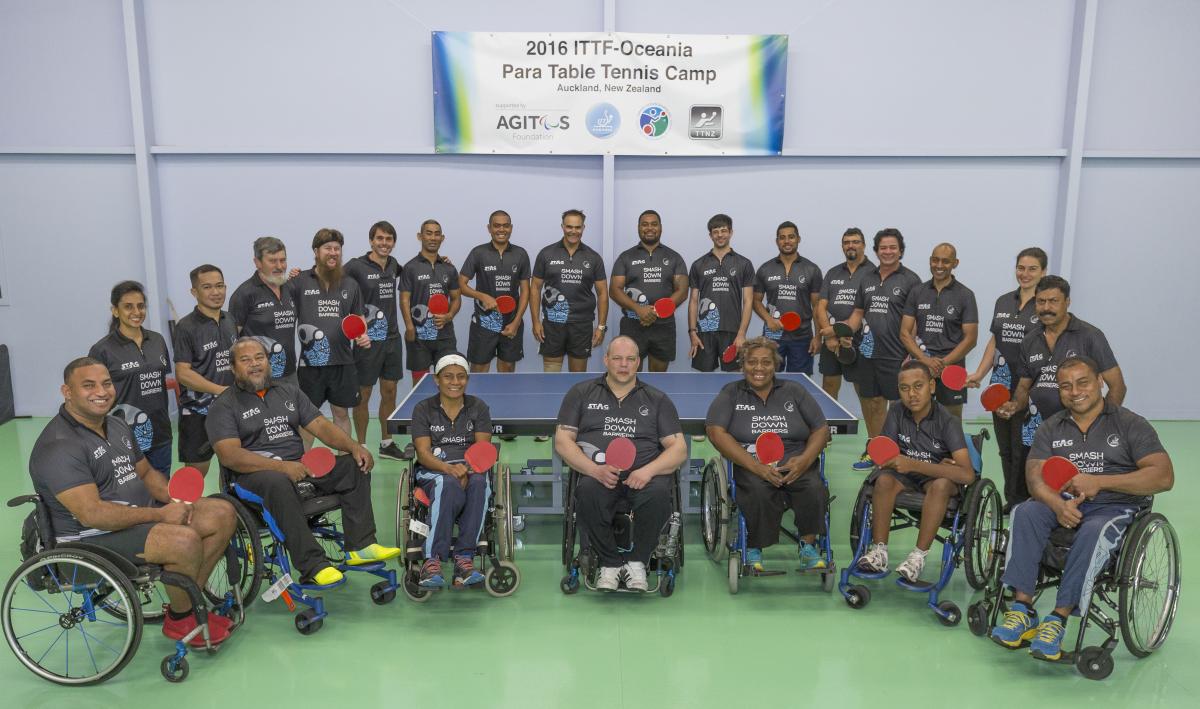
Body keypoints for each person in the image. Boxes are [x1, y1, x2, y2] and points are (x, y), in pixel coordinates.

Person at [29, 357, 238, 646]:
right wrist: (161, 516)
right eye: (88, 386)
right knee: (183, 540)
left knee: (222, 513)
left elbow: (147, 473)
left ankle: (188, 605)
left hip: (136, 520)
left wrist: (174, 499)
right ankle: (182, 619)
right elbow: (92, 514)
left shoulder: (115, 424)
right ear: (67, 392)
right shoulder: (59, 446)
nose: (101, 392)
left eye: (106, 383)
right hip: (89, 539)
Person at [989, 356, 1172, 662]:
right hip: (1063, 502)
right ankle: (1023, 608)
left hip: (1113, 508)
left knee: (1093, 530)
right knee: (1025, 512)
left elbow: (1164, 476)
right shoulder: (1051, 426)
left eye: (1082, 382)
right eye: (1066, 386)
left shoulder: (1130, 424)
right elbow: (1035, 477)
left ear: (1100, 381)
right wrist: (1056, 504)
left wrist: (1100, 482)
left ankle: (1058, 618)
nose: (1075, 391)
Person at [207, 337, 400, 587]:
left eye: (259, 358)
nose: (254, 364)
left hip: (298, 469)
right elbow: (229, 455)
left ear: (268, 361)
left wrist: (353, 446)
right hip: (251, 478)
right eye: (245, 360)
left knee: (354, 466)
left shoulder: (288, 391)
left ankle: (361, 546)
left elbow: (319, 425)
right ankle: (313, 565)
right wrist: (281, 467)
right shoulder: (224, 405)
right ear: (233, 368)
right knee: (277, 483)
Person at [554, 336, 686, 591]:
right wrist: (593, 469)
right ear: (606, 360)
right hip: (598, 474)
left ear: (639, 362)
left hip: (645, 476)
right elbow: (562, 441)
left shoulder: (657, 399)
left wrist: (648, 471)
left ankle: (637, 562)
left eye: (629, 359)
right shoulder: (580, 393)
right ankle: (610, 563)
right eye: (617, 358)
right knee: (587, 491)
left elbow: (678, 449)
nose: (623, 365)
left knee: (659, 493)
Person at [705, 337, 831, 571]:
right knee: (757, 490)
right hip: (751, 463)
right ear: (743, 365)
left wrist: (804, 461)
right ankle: (754, 547)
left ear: (776, 365)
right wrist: (756, 467)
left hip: (795, 462)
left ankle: (808, 545)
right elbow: (715, 432)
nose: (759, 368)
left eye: (766, 362)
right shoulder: (731, 393)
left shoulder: (794, 390)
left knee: (814, 487)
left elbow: (821, 429)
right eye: (752, 362)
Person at [855, 360, 974, 583]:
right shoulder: (896, 411)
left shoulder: (948, 421)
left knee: (940, 486)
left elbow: (967, 474)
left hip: (936, 478)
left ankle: (917, 557)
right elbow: (885, 455)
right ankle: (879, 552)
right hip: (905, 477)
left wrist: (914, 464)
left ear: (932, 386)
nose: (912, 394)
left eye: (918, 386)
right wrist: (895, 462)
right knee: (883, 482)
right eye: (904, 388)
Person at [994, 275, 1126, 468]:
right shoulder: (1030, 339)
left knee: (1069, 487)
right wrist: (1014, 405)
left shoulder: (1090, 336)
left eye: (1053, 301)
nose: (1046, 308)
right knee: (1025, 486)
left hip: (1076, 431)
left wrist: (1102, 424)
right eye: (1041, 302)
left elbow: (1118, 386)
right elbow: (1024, 386)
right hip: (1035, 431)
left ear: (1067, 302)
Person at [966, 247, 1046, 511]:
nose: (1025, 274)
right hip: (1000, 386)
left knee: (1024, 448)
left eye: (1032, 268)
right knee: (1005, 449)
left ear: (1043, 272)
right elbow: (994, 341)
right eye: (1021, 268)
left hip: (1031, 389)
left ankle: (1025, 500)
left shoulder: (1045, 304)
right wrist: (979, 373)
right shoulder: (1003, 301)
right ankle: (1012, 498)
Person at [409, 354, 494, 588]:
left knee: (480, 484)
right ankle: (432, 560)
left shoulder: (478, 407)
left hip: (470, 469)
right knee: (446, 484)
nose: (454, 382)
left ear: (467, 379)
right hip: (433, 471)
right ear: (437, 380)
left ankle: (464, 559)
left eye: (460, 376)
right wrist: (449, 469)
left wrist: (466, 470)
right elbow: (423, 454)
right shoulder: (423, 409)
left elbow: (481, 449)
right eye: (448, 376)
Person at [844, 228, 923, 471]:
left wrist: (912, 352)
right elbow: (859, 312)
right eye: (883, 247)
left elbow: (917, 319)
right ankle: (876, 450)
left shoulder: (911, 279)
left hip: (897, 354)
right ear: (876, 250)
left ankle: (905, 453)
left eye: (892, 247)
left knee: (902, 407)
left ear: (900, 250)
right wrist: (845, 332)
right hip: (867, 353)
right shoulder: (866, 278)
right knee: (872, 403)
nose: (887, 252)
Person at [289, 228, 371, 439]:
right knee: (307, 418)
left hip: (343, 362)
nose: (333, 252)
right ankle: (305, 466)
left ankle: (344, 464)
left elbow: (358, 318)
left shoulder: (350, 284)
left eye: (337, 248)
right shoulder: (299, 282)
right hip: (310, 365)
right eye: (328, 248)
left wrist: (363, 334)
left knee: (342, 414)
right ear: (316, 251)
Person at [88, 280, 173, 476]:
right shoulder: (102, 349)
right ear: (115, 311)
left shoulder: (157, 340)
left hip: (160, 434)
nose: (136, 311)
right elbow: (94, 395)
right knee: (133, 494)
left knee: (162, 492)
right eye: (128, 306)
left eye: (141, 306)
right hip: (123, 437)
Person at [344, 221, 405, 460]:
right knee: (364, 394)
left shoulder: (393, 265)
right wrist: (302, 274)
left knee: (389, 391)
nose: (384, 243)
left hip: (392, 339)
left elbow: (414, 269)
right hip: (366, 341)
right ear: (371, 240)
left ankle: (387, 442)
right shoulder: (356, 266)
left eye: (389, 239)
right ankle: (361, 445)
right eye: (380, 238)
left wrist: (443, 260)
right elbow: (331, 277)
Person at [899, 242, 979, 420]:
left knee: (952, 419)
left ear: (955, 263)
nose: (939, 266)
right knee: (916, 415)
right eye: (935, 260)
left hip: (953, 366)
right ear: (930, 261)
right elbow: (904, 333)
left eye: (946, 261)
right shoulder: (917, 292)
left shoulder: (965, 295)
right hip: (921, 363)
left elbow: (971, 339)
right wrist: (926, 361)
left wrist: (942, 364)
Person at [174, 264, 237, 476]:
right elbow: (183, 373)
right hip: (197, 414)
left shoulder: (230, 320)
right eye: (208, 287)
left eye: (220, 286)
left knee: (233, 468)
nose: (216, 292)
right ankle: (189, 510)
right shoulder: (185, 326)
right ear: (194, 292)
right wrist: (219, 390)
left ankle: (233, 509)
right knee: (195, 476)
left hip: (230, 410)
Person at [531, 209, 609, 373]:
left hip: (582, 325)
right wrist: (536, 322)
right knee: (551, 379)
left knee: (577, 378)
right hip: (552, 324)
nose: (573, 231)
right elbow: (535, 288)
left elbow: (602, 293)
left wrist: (601, 327)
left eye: (577, 227)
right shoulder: (546, 254)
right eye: (569, 227)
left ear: (583, 228)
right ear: (562, 227)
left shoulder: (593, 257)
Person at [609, 210, 687, 372]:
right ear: (638, 228)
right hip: (632, 325)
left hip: (663, 326)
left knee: (658, 379)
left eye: (654, 224)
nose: (649, 228)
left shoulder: (674, 257)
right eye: (645, 224)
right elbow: (614, 290)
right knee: (629, 375)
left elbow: (682, 290)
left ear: (660, 228)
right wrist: (639, 309)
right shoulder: (626, 257)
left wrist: (655, 312)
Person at [458, 210, 532, 374]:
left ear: (511, 228)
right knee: (479, 368)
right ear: (489, 228)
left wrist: (517, 322)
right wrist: (481, 296)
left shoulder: (521, 254)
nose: (501, 229)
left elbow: (526, 291)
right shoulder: (478, 253)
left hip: (511, 322)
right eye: (497, 226)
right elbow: (461, 284)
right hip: (483, 323)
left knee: (507, 368)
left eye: (505, 226)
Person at [687, 213, 755, 373]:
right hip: (704, 332)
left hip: (733, 332)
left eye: (724, 230)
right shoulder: (698, 264)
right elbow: (693, 302)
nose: (720, 235)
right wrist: (692, 332)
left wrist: (742, 334)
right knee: (703, 382)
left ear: (731, 232)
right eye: (715, 231)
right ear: (710, 235)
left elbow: (748, 301)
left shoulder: (744, 264)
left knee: (734, 380)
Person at [752, 221, 823, 374]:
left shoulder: (812, 269)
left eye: (791, 237)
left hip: (802, 337)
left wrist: (818, 337)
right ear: (777, 241)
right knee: (768, 380)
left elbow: (817, 307)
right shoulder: (765, 268)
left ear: (798, 239)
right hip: (772, 337)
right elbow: (755, 301)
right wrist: (768, 320)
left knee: (799, 384)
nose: (787, 241)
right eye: (782, 237)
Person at [229, 236, 298, 386]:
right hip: (257, 378)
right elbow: (231, 341)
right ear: (258, 262)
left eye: (283, 260)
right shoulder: (244, 294)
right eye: (272, 261)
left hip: (290, 374)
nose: (279, 266)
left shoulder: (290, 288)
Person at [399, 219, 461, 384]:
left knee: (449, 381)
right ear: (420, 236)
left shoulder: (449, 268)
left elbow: (456, 298)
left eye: (437, 234)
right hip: (418, 338)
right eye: (429, 233)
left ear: (442, 238)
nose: (433, 238)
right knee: (420, 384)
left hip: (445, 336)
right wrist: (409, 327)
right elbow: (404, 299)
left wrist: (449, 315)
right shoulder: (410, 267)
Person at [814, 228, 873, 400]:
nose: (850, 245)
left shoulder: (873, 272)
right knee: (829, 385)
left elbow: (868, 309)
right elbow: (820, 306)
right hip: (831, 340)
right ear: (842, 246)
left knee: (863, 389)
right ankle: (829, 426)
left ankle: (873, 428)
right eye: (846, 242)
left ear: (864, 245)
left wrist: (840, 332)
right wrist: (829, 335)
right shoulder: (833, 272)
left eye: (855, 242)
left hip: (859, 341)